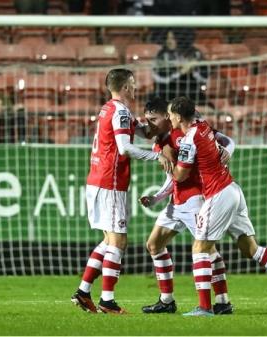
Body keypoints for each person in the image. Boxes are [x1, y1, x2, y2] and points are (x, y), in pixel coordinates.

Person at [169, 96, 267, 316]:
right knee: (250, 249)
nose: (170, 118)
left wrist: (166, 159)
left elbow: (180, 175)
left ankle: (205, 307)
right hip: (233, 190)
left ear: (178, 117)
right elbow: (224, 142)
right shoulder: (204, 126)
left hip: (218, 194)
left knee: (200, 248)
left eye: (171, 114)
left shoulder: (189, 138)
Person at [70, 68, 172, 314]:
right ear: (126, 87)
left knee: (108, 240)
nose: (135, 88)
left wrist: (161, 128)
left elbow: (144, 131)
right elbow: (125, 148)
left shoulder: (110, 109)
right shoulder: (120, 112)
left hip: (98, 179)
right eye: (133, 84)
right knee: (118, 240)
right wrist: (156, 155)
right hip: (110, 182)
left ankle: (84, 292)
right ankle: (107, 301)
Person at [138, 97, 236, 315]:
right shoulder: (161, 140)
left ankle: (222, 301)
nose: (150, 125)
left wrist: (230, 150)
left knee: (208, 250)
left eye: (154, 119)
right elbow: (172, 178)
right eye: (147, 121)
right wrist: (157, 198)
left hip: (196, 199)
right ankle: (166, 301)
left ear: (168, 116)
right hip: (177, 202)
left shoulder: (186, 133)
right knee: (154, 244)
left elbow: (225, 141)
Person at [153, 29, 207, 106]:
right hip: (167, 94)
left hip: (192, 94)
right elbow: (159, 78)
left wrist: (194, 69)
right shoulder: (162, 54)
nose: (169, 41)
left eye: (172, 38)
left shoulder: (195, 53)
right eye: (167, 38)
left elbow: (204, 78)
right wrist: (181, 71)